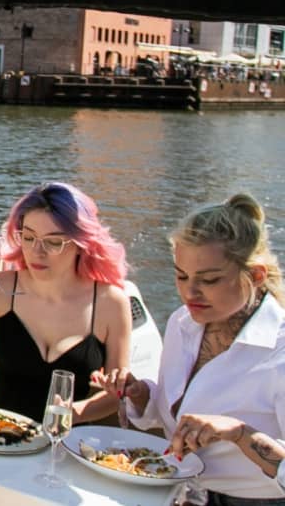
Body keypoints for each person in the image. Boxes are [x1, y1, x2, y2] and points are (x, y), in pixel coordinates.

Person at [98, 194, 285, 504]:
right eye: (181, 276)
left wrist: (239, 433)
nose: (189, 292)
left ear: (255, 276)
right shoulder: (182, 322)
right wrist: (141, 394)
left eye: (209, 280)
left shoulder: (280, 350)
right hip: (178, 489)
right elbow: (171, 414)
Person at [0, 182, 132, 423]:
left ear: (80, 243)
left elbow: (115, 394)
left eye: (53, 242)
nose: (37, 251)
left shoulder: (111, 303)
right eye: (28, 237)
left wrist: (70, 413)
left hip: (67, 441)